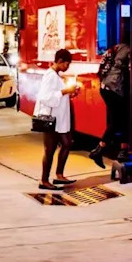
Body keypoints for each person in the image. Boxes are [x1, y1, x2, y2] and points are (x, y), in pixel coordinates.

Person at [36, 49, 80, 190]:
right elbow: (45, 97)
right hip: (52, 119)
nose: (68, 67)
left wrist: (70, 93)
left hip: (60, 119)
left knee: (67, 143)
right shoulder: (50, 76)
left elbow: (58, 96)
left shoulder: (56, 75)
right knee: (50, 150)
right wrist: (65, 91)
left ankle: (59, 174)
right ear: (60, 61)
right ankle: (44, 180)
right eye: (67, 64)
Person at [90, 42, 131, 169]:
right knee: (120, 121)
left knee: (119, 120)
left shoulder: (114, 48)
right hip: (114, 88)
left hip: (105, 87)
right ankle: (101, 150)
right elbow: (125, 67)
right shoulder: (127, 49)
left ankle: (108, 151)